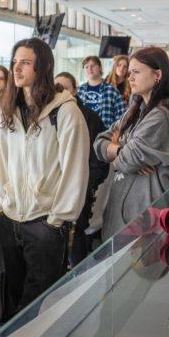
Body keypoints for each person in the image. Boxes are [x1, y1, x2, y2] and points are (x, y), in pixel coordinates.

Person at [0, 38, 89, 320]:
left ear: (43, 66)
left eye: (25, 62)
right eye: (15, 62)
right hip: (11, 219)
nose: (17, 68)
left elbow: (75, 168)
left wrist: (57, 219)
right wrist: (4, 202)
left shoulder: (65, 111)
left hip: (46, 222)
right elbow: (2, 162)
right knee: (14, 301)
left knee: (40, 307)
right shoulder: (8, 110)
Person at [94, 47, 169, 240]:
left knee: (142, 268)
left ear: (157, 75)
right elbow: (99, 143)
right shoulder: (135, 109)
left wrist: (118, 154)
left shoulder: (162, 114)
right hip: (122, 210)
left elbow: (127, 161)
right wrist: (120, 150)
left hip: (144, 213)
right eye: (129, 73)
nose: (130, 78)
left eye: (136, 72)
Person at [54, 72, 109, 266]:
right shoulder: (49, 116)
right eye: (56, 88)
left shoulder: (89, 117)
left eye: (65, 88)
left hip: (80, 190)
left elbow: (99, 159)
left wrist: (86, 184)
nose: (59, 92)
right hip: (53, 193)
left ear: (75, 91)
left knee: (77, 245)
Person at [77, 55, 125, 129]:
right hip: (83, 133)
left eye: (92, 66)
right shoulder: (79, 90)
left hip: (104, 135)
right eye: (86, 67)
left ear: (100, 68)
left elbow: (121, 117)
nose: (89, 69)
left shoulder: (112, 91)